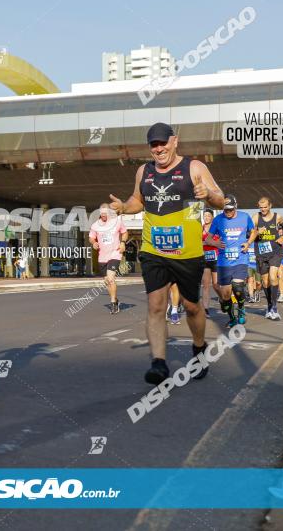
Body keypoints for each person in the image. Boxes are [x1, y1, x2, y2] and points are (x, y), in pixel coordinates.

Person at [109, 122, 224, 385]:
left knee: (192, 306)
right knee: (156, 305)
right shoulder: (144, 171)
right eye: (154, 145)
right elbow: (138, 200)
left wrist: (208, 195)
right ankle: (159, 364)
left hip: (188, 252)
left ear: (175, 141)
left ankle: (198, 349)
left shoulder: (194, 168)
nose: (159, 149)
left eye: (163, 143)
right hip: (154, 249)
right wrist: (124, 208)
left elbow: (220, 198)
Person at [205, 195, 255, 328]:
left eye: (230, 210)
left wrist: (248, 243)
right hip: (224, 261)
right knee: (226, 294)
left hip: (240, 258)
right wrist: (215, 243)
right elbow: (208, 239)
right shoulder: (218, 219)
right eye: (225, 210)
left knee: (238, 287)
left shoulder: (245, 217)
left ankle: (241, 309)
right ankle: (232, 318)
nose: (228, 212)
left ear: (235, 206)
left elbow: (254, 232)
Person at [89, 203, 129, 314]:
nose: (103, 215)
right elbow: (91, 237)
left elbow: (125, 233)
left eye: (105, 213)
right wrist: (94, 243)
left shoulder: (117, 222)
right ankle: (115, 299)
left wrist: (123, 243)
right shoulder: (95, 225)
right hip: (102, 256)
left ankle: (113, 303)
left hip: (115, 254)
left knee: (111, 278)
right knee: (107, 281)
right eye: (102, 213)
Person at [252, 197, 283, 321]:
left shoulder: (277, 217)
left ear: (270, 206)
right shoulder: (255, 218)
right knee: (265, 282)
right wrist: (257, 232)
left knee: (273, 276)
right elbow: (248, 233)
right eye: (261, 207)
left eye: (265, 207)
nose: (263, 209)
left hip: (275, 252)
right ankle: (269, 305)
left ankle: (275, 308)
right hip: (261, 253)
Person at [201, 209, 220, 318]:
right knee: (206, 285)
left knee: (216, 285)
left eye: (208, 215)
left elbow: (219, 243)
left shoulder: (216, 228)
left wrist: (209, 242)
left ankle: (223, 299)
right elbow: (197, 242)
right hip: (205, 259)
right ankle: (206, 309)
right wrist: (207, 242)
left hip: (216, 258)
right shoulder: (200, 228)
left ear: (212, 217)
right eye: (205, 216)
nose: (206, 217)